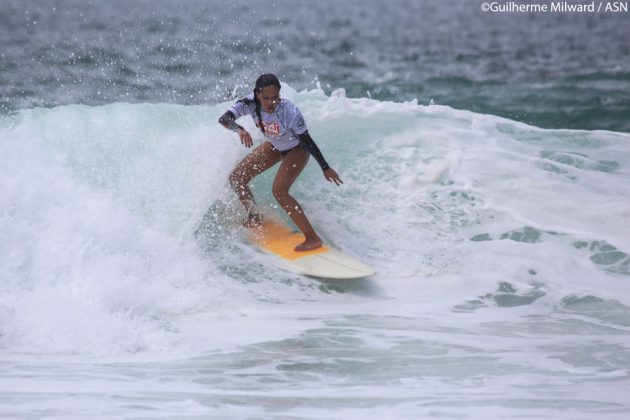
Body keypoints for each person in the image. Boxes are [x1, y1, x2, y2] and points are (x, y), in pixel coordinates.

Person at [218, 73, 342, 251]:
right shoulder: (249, 103)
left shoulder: (289, 111)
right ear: (257, 95)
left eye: (275, 98)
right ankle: (254, 217)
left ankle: (313, 238)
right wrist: (239, 129)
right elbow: (224, 119)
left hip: (297, 149)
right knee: (237, 177)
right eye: (265, 98)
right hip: (275, 145)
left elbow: (307, 140)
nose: (271, 103)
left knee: (279, 191)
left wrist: (325, 167)